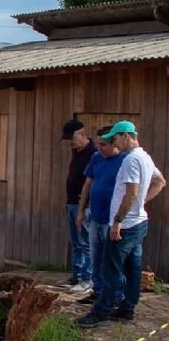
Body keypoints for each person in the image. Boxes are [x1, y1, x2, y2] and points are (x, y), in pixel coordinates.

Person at [78, 121, 166, 328]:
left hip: (125, 226)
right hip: (139, 222)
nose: (115, 142)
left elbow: (132, 192)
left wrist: (118, 221)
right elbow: (160, 181)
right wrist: (142, 203)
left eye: (116, 138)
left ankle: (100, 312)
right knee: (133, 269)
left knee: (111, 269)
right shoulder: (145, 157)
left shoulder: (131, 160)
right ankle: (127, 309)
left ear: (126, 136)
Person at [75, 126, 126, 302]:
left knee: (111, 260)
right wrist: (81, 211)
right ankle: (97, 292)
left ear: (115, 143)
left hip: (112, 221)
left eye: (103, 144)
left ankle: (115, 296)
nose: (99, 148)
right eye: (98, 144)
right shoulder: (96, 158)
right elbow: (88, 184)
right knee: (96, 257)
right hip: (95, 216)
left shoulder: (125, 160)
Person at [60, 119, 96, 288]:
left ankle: (87, 279)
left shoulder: (94, 153)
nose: (70, 143)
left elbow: (93, 180)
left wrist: (86, 201)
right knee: (75, 243)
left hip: (85, 205)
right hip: (72, 203)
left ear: (82, 134)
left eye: (72, 139)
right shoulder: (77, 152)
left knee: (86, 243)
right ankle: (76, 275)